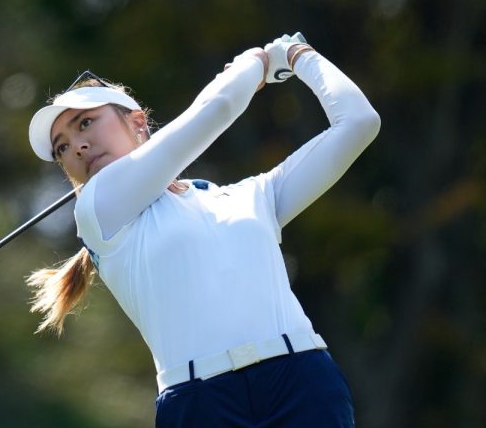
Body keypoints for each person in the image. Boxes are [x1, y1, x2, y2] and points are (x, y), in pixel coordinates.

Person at [26, 32, 380, 427]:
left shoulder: (251, 196)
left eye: (86, 123)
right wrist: (258, 61)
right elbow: (220, 105)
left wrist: (300, 56)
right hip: (199, 404)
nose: (76, 147)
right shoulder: (98, 209)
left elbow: (359, 122)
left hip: (302, 381)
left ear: (138, 122)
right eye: (61, 147)